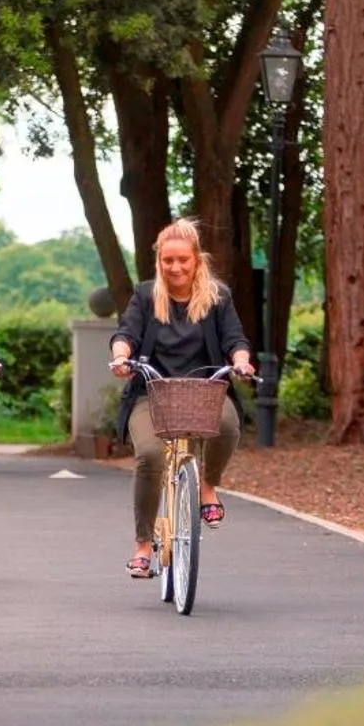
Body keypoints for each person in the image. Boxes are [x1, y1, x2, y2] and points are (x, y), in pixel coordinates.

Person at [108, 218, 254, 578]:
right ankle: (143, 547)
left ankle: (207, 485)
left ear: (196, 261)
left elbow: (235, 339)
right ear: (159, 261)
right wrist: (121, 357)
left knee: (228, 426)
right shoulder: (145, 295)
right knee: (151, 456)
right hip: (151, 392)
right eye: (167, 260)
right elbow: (125, 332)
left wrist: (240, 362)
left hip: (202, 392)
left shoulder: (217, 297)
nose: (175, 267)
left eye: (182, 260)